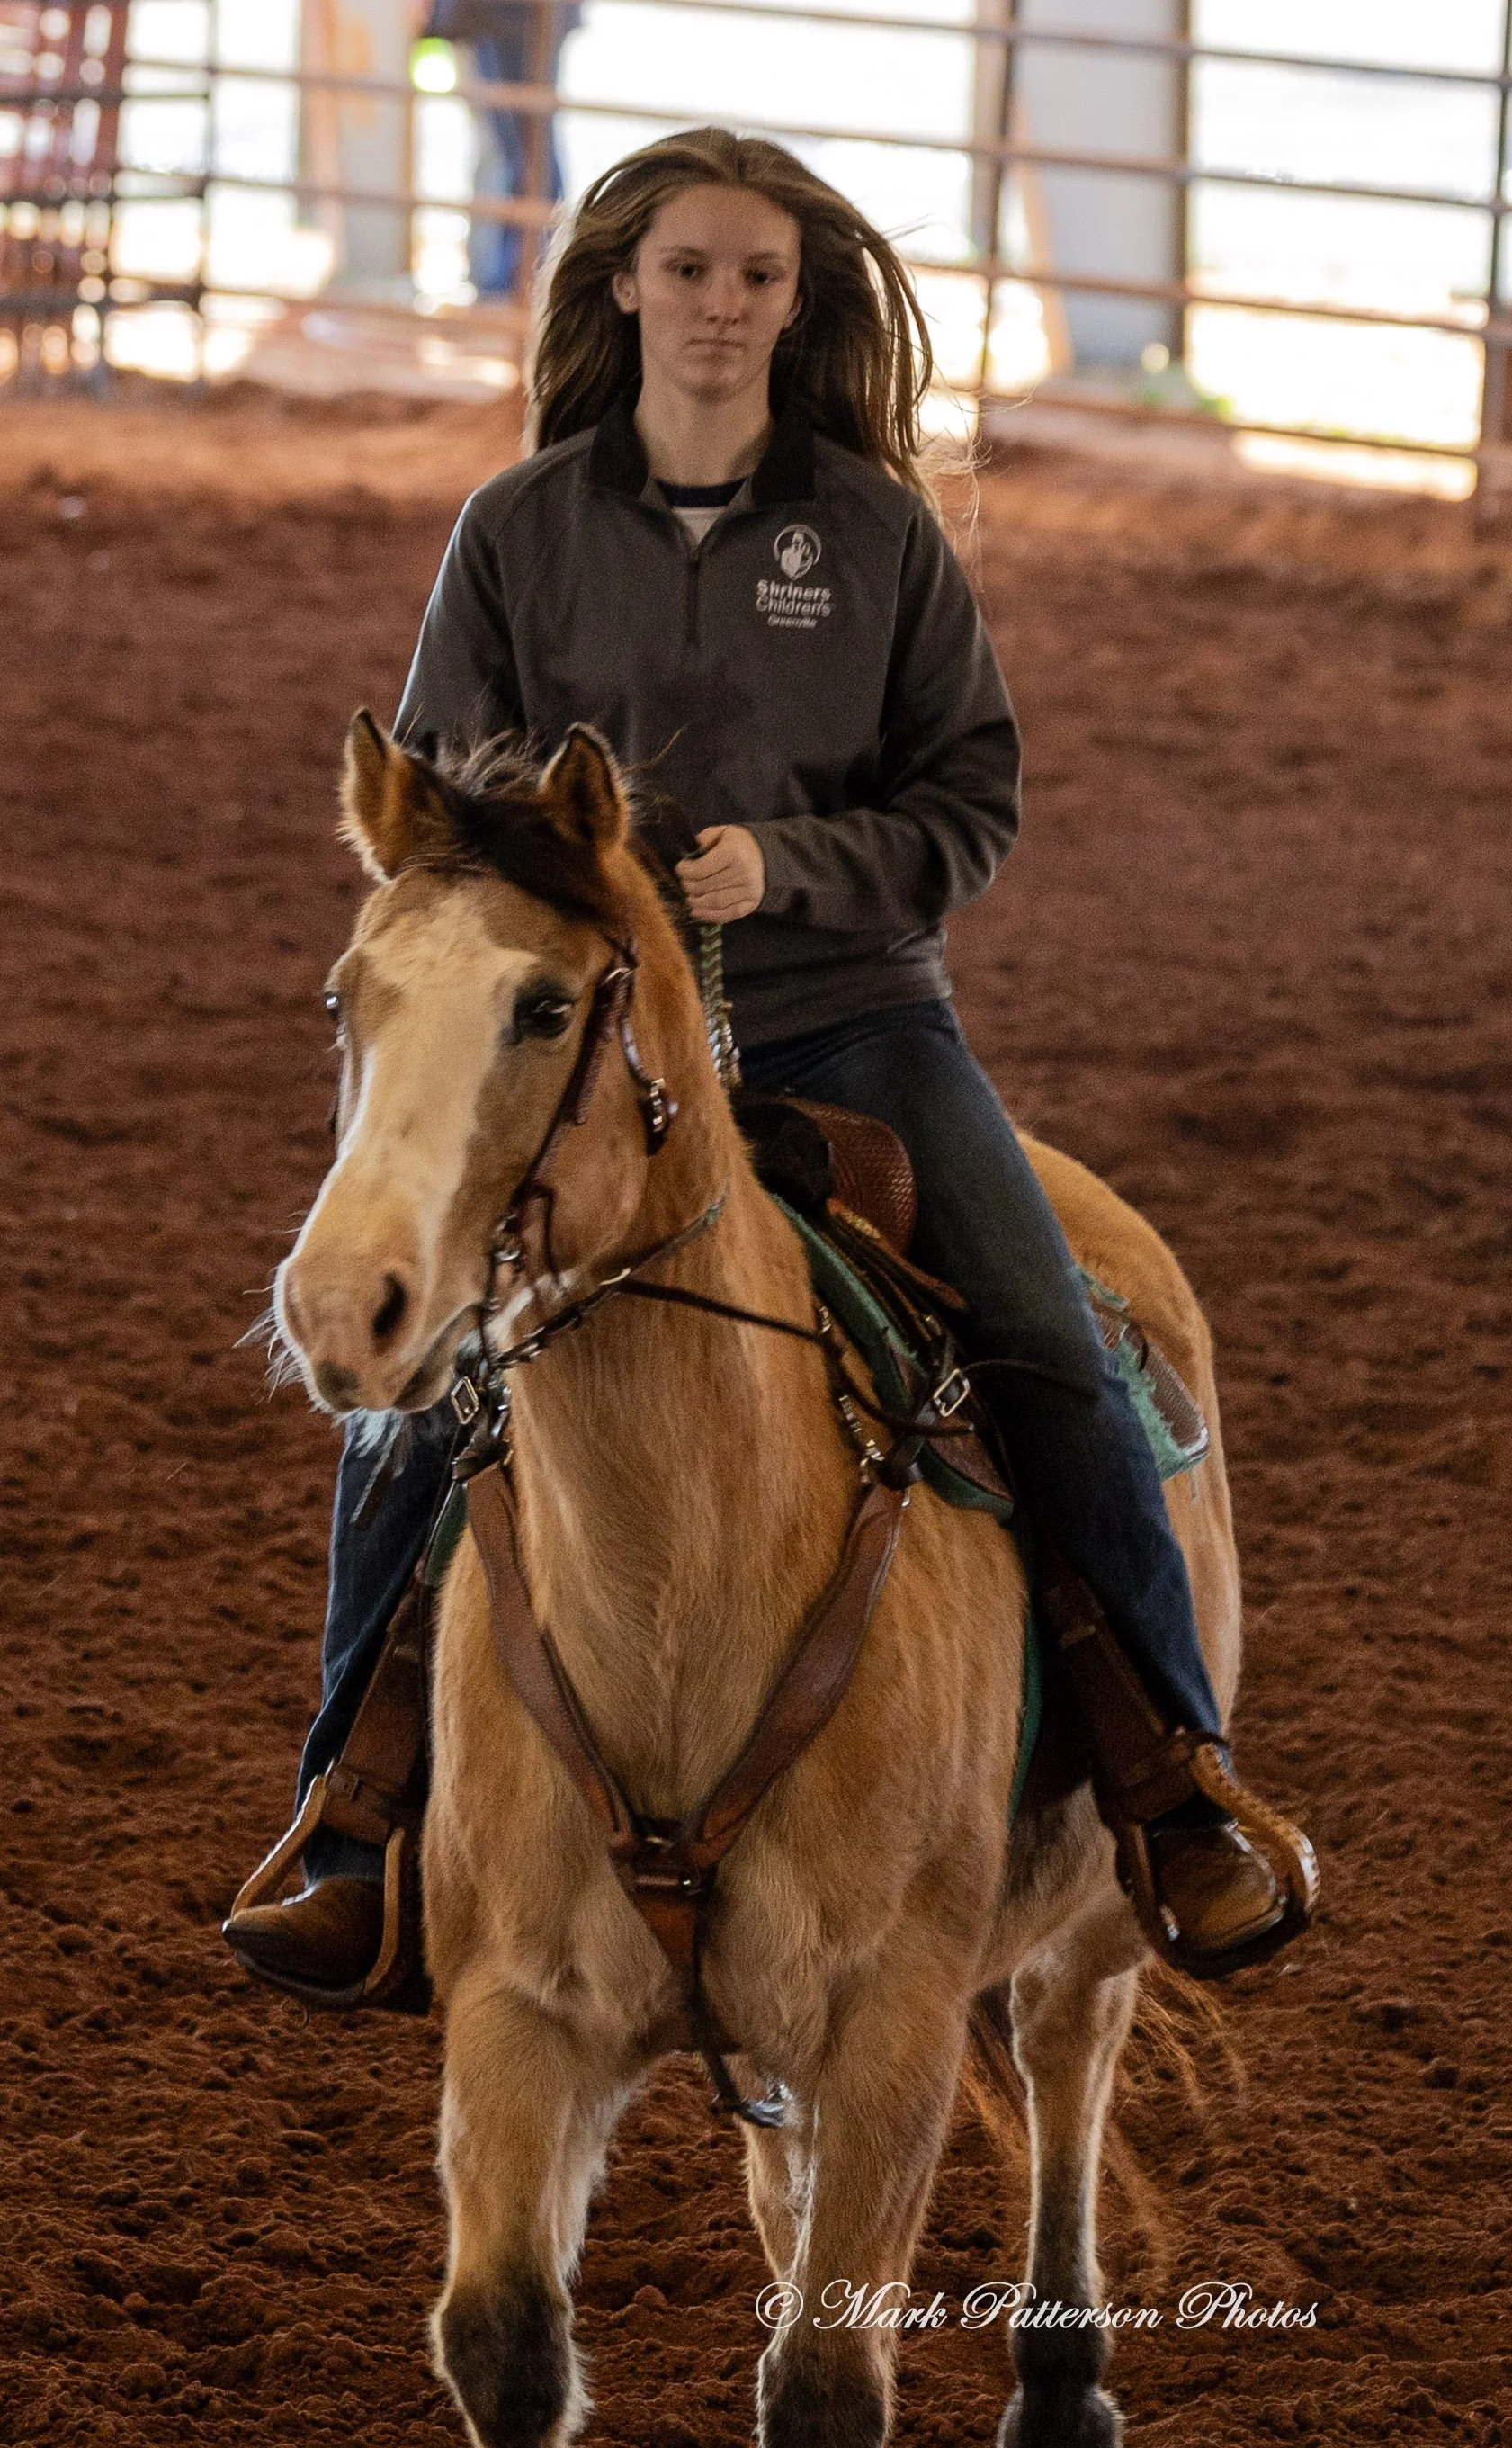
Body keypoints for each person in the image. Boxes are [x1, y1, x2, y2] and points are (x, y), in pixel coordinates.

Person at [226, 126, 1310, 1995]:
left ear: (795, 307)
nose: (721, 305)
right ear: (624, 287)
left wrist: (782, 866)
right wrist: (567, 896)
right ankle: (355, 1810)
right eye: (689, 269)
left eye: (758, 276)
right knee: (425, 1378)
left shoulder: (880, 535)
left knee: (1046, 1333)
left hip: (850, 1012)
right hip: (571, 1051)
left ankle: (1172, 1778)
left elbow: (972, 801)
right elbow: (438, 822)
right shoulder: (518, 527)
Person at [420, 0, 581, 297]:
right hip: (498, 17)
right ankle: (522, 274)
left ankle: (521, 277)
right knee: (521, 148)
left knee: (521, 151)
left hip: (503, 16)